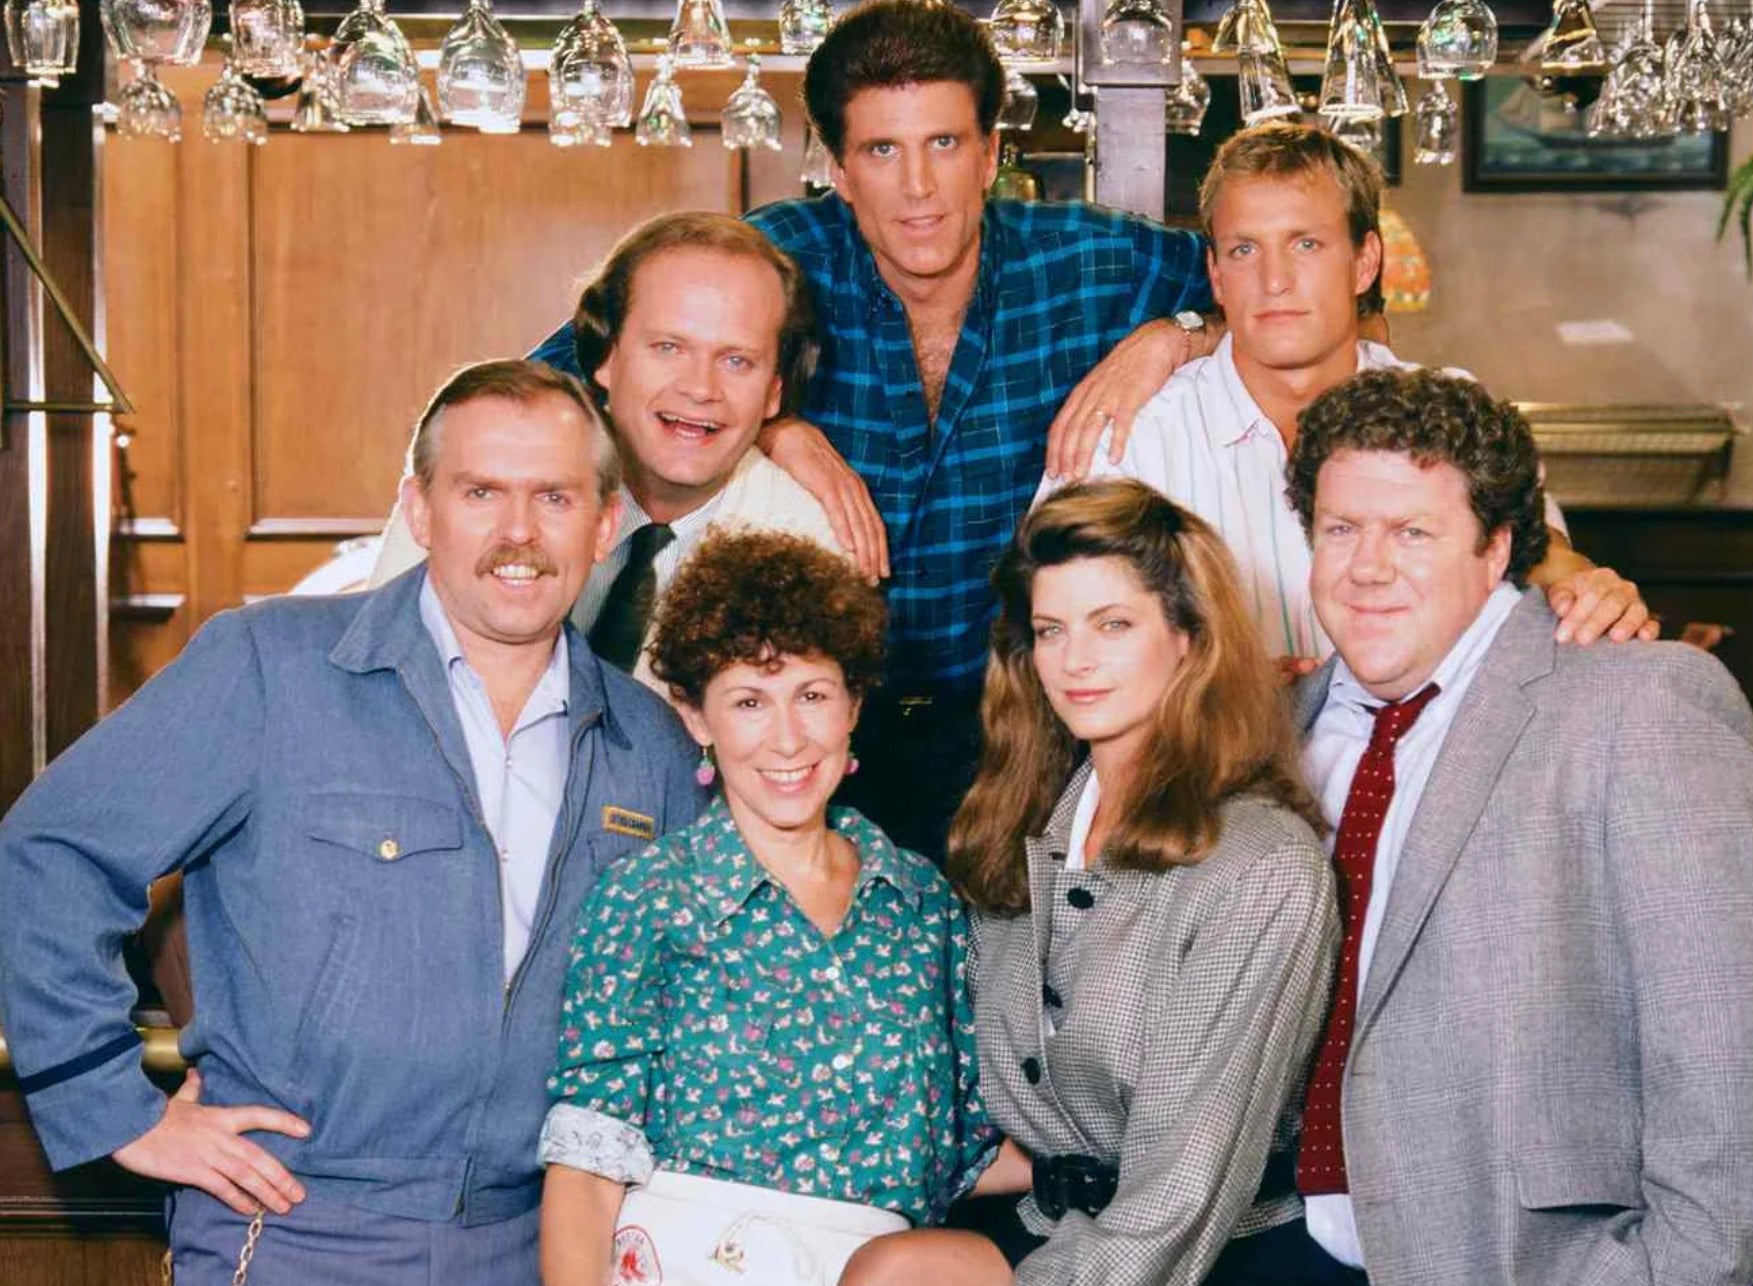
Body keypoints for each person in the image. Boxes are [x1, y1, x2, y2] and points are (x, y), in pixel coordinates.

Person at [0, 360, 704, 1284]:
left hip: (538, 1245)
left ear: (607, 522)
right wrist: (115, 1108)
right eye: (481, 492)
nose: (518, 533)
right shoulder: (269, 666)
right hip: (292, 1226)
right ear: (419, 509)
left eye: (556, 497)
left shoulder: (647, 742)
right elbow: (48, 852)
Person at [532, 0, 1222, 859]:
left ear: (990, 154)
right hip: (803, 750)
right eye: (882, 151)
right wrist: (764, 421)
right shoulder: (773, 259)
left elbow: (1309, 309)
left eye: (944, 144)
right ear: (839, 167)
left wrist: (1176, 338)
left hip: (1025, 744)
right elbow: (554, 381)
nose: (918, 187)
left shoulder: (1091, 261)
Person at [1285, 367, 1753, 1284]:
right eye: (1341, 529)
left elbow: (1737, 1051)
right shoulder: (1282, 724)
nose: (1367, 567)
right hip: (1288, 1247)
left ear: (1496, 547)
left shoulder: (1641, 701)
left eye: (1413, 532)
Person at [843, 479, 1342, 1286]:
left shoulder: (1263, 866)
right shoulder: (1025, 832)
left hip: (1208, 1254)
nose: (1075, 661)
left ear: (1188, 636)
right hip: (1056, 1220)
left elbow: (1180, 1194)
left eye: (1113, 625)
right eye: (1050, 630)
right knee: (885, 1266)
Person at [539, 528, 1016, 1286]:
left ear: (854, 704)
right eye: (750, 701)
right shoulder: (648, 897)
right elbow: (587, 1165)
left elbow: (967, 1148)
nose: (788, 738)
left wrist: (1156, 1140)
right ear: (696, 719)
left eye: (813, 695)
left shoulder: (923, 902)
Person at [1047, 121, 1654, 666]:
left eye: (1306, 244)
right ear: (1216, 276)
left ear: (1365, 263)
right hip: (1200, 782)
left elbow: (1535, 552)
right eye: (1244, 249)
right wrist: (1223, 704)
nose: (1275, 280)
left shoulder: (1450, 410)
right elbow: (1061, 640)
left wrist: (1583, 583)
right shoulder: (1125, 439)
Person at [375, 212, 843, 697]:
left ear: (774, 392)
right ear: (606, 357)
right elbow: (378, 671)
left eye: (736, 361)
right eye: (668, 347)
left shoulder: (807, 543)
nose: (701, 388)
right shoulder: (478, 465)